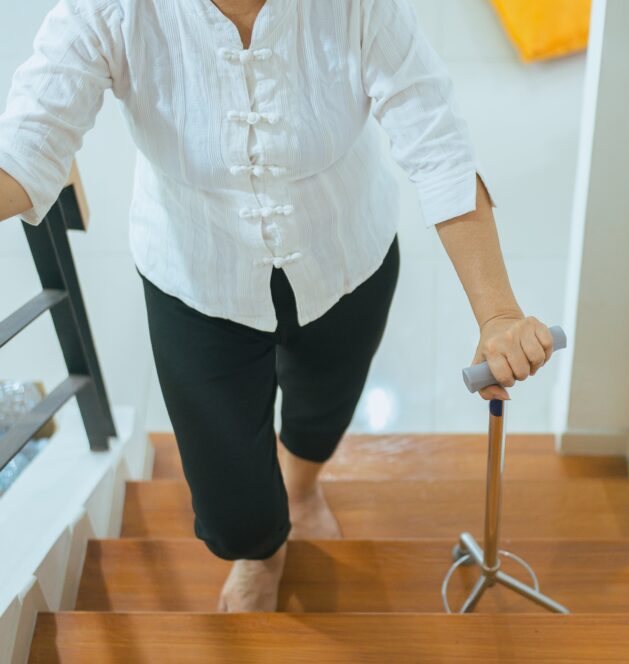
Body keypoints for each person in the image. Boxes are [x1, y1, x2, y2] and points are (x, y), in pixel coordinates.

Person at [0, 0, 554, 611]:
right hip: (196, 275)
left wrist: (498, 313)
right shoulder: (110, 9)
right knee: (228, 497)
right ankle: (260, 552)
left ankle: (302, 487)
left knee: (323, 407)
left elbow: (437, 141)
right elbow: (25, 148)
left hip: (344, 256)